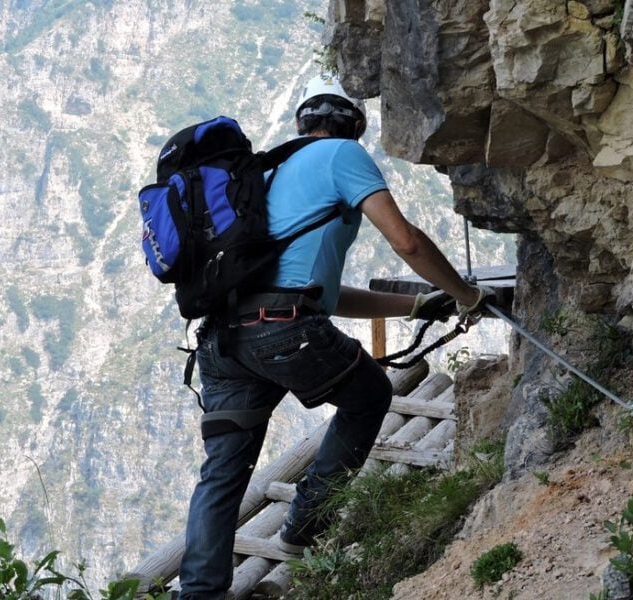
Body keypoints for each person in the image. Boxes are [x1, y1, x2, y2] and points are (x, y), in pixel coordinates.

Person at [176, 73, 493, 600]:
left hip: (222, 340)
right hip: (282, 331)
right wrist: (465, 294)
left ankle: (200, 593)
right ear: (354, 131)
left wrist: (415, 304)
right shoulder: (343, 155)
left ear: (303, 127)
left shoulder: (267, 175)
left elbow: (321, 293)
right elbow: (407, 242)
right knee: (369, 394)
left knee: (223, 471)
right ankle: (306, 525)